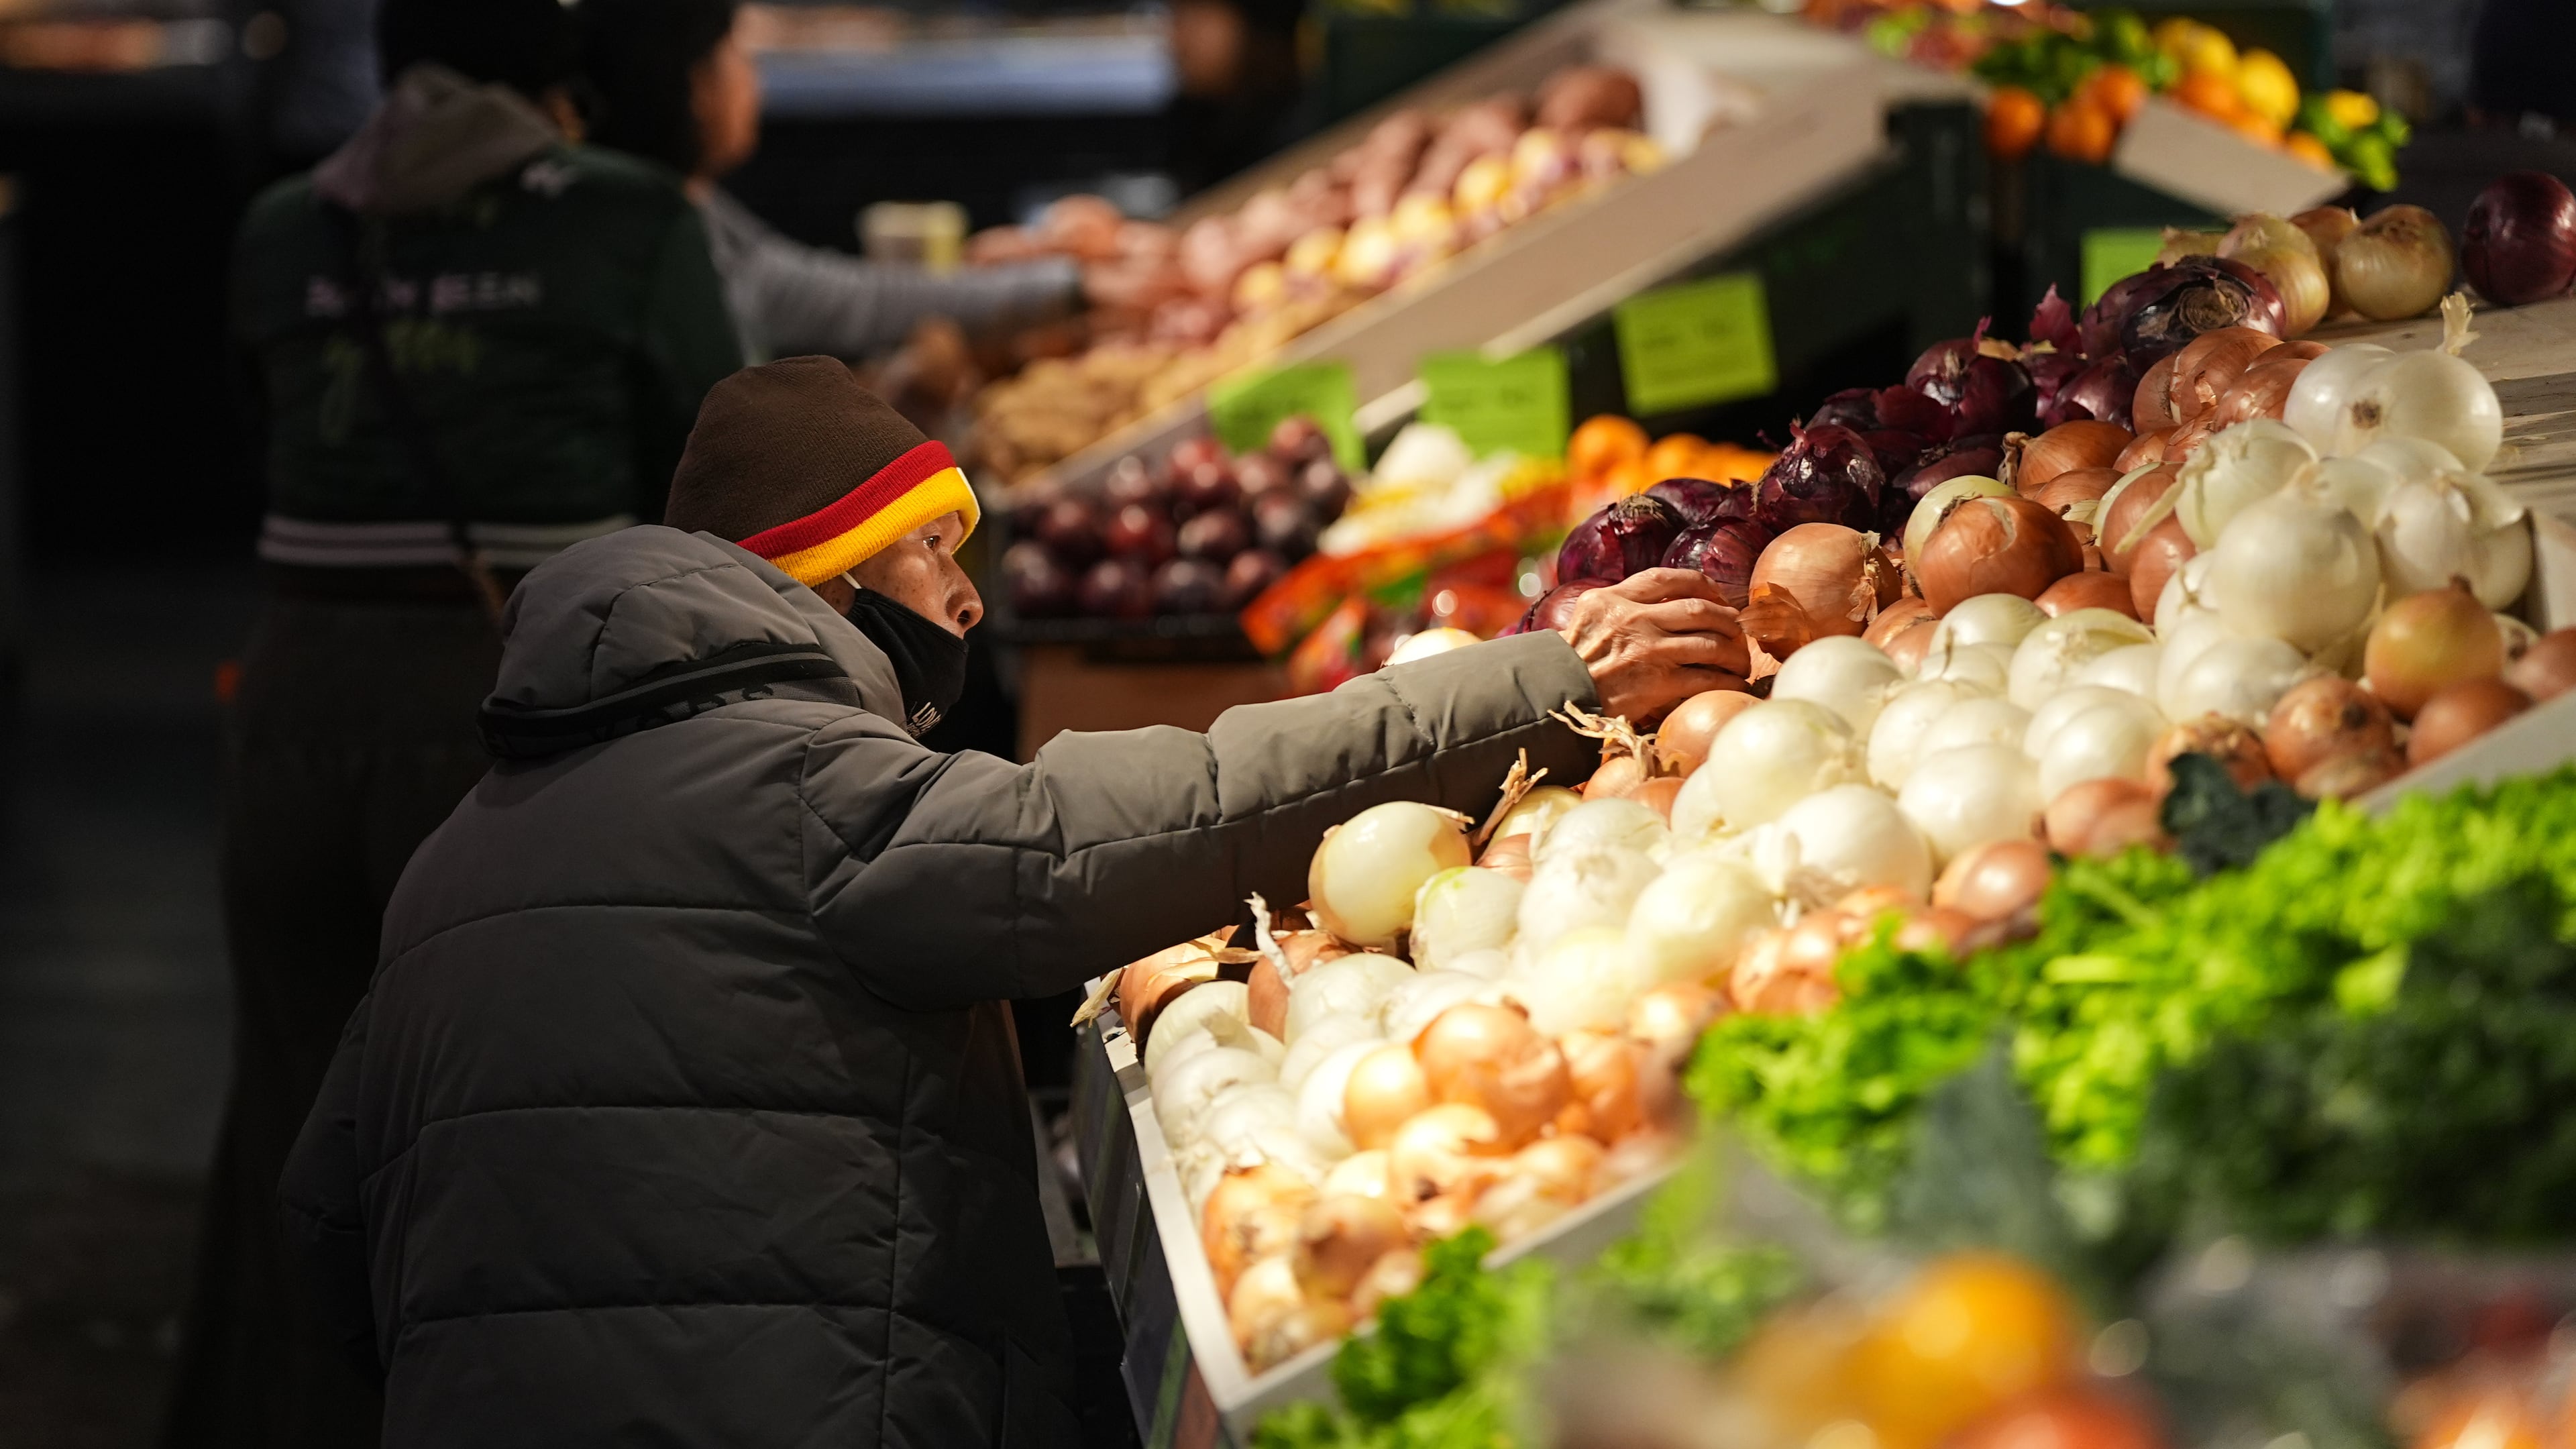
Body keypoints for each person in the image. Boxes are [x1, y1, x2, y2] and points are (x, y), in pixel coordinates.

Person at [277, 356, 1747, 1446]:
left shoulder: (454, 858)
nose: (967, 600)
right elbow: (1117, 829)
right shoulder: (800, 793)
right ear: (827, 579)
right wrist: (1535, 688)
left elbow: (325, 1228)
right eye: (930, 550)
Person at [165, 1, 742, 1444]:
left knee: (296, 1112)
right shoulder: (627, 220)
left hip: (291, 709)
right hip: (504, 717)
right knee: (508, 1132)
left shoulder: (284, 225)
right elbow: (709, 472)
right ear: (571, 63)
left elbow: (251, 437)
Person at [580, 0, 1137, 363]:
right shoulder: (664, 241)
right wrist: (1070, 287)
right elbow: (837, 301)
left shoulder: (684, 209)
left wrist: (1065, 286)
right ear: (698, 87)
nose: (754, 79)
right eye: (739, 55)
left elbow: (824, 290)